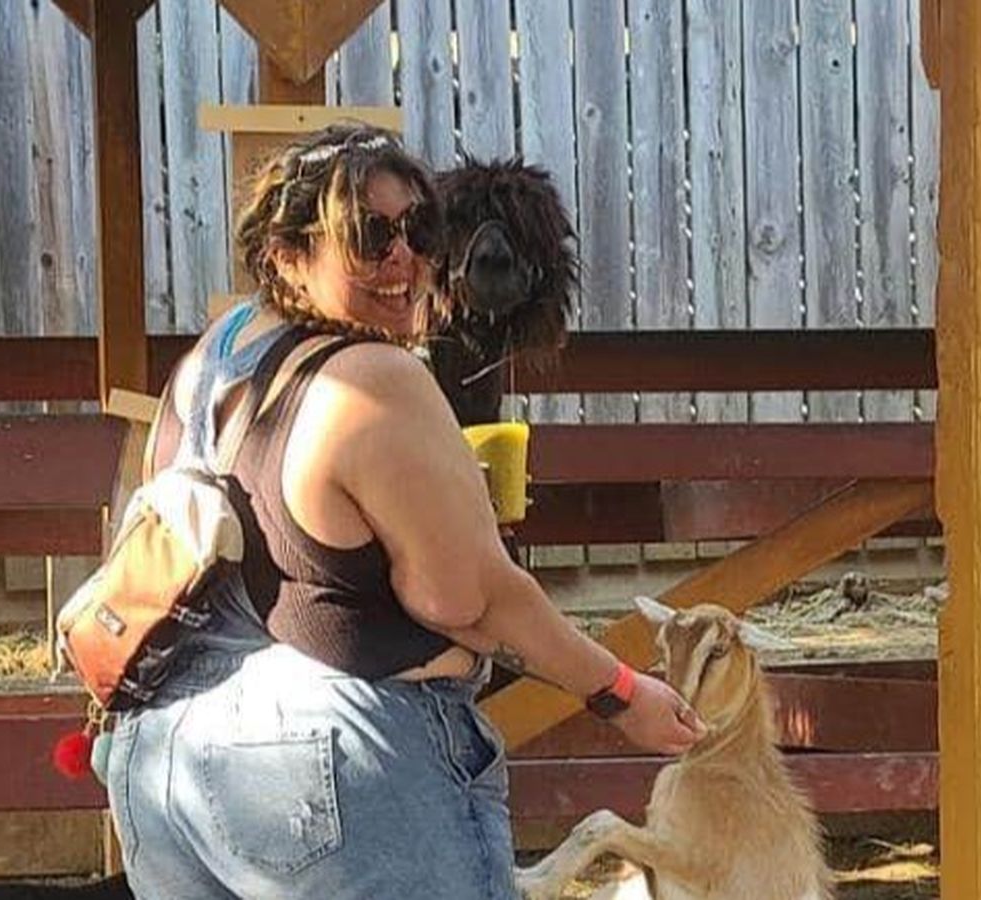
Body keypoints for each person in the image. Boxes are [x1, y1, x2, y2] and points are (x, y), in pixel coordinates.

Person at [105, 123, 705, 900]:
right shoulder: (375, 379)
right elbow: (468, 601)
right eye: (367, 236)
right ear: (286, 255)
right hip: (328, 769)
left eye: (420, 230)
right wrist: (618, 691)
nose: (404, 260)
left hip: (167, 761)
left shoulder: (218, 352)